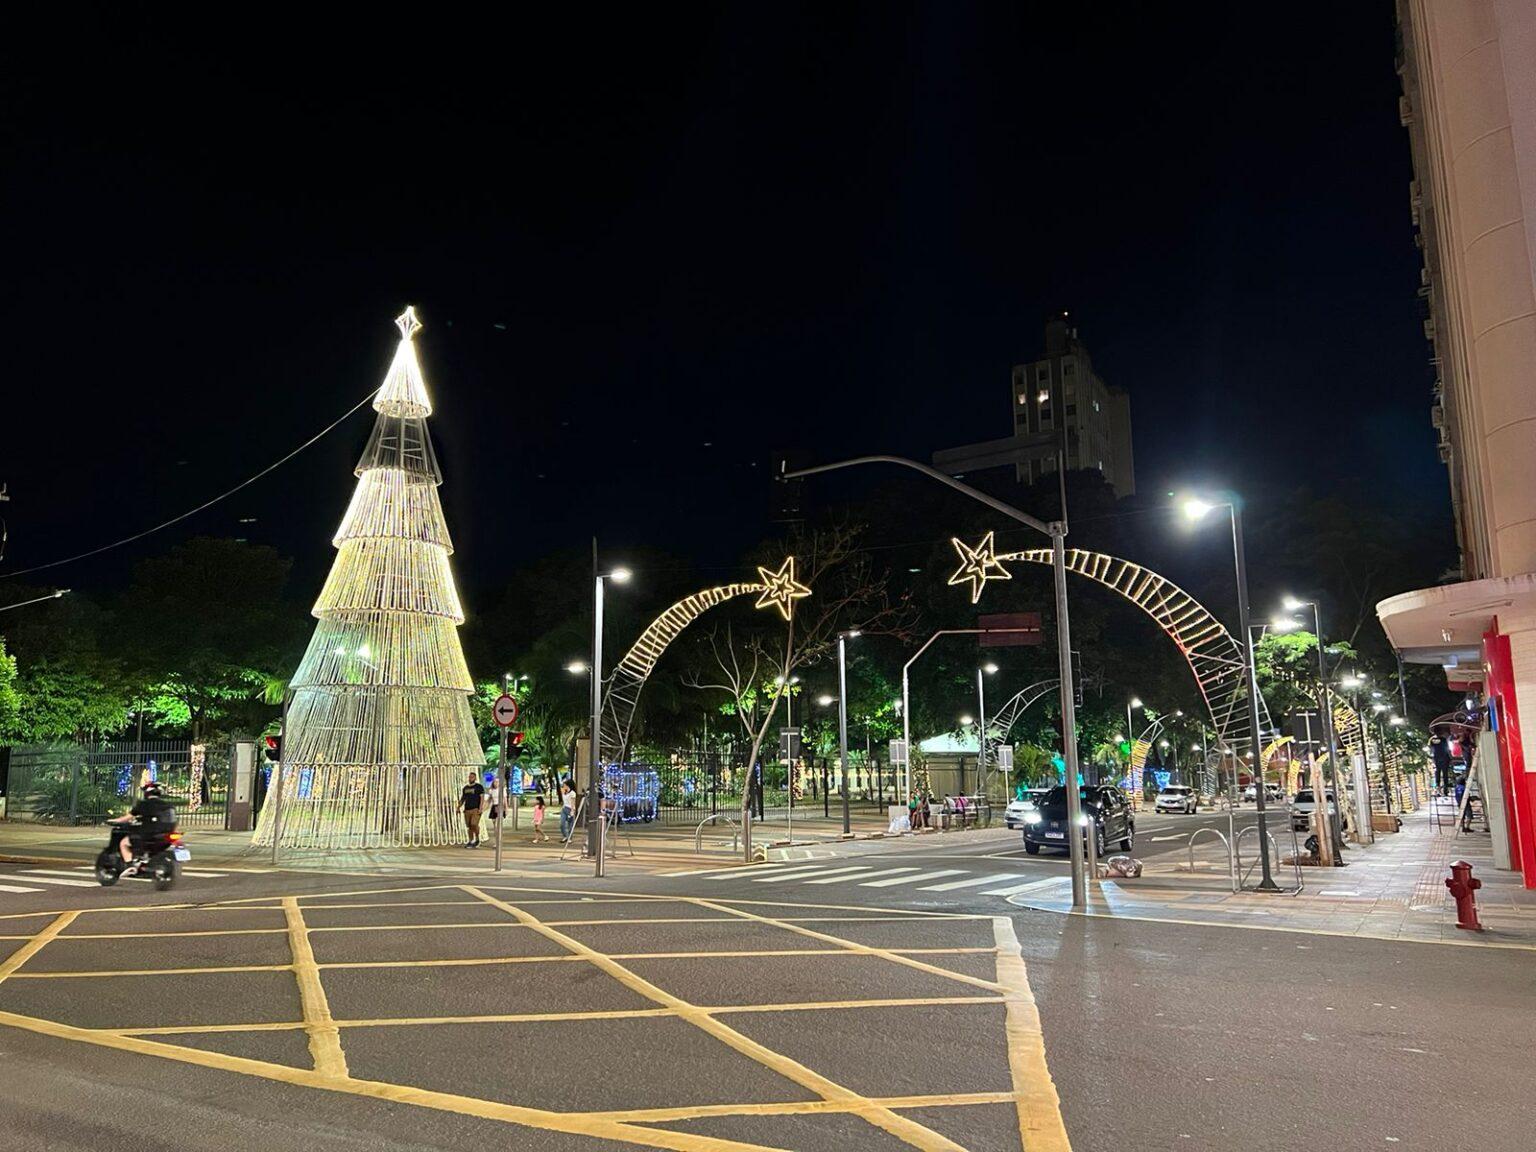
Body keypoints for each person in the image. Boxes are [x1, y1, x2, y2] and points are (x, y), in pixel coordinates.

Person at [108, 781, 176, 874]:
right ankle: (144, 861)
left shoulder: (144, 804)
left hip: (148, 834)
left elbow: (127, 818)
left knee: (123, 843)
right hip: (166, 834)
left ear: (147, 793)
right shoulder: (168, 805)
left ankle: (130, 865)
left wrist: (114, 820)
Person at [458, 772, 486, 848]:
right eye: (470, 777)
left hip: (475, 809)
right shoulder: (465, 788)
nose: (470, 778)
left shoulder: (479, 787)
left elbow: (482, 798)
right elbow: (463, 798)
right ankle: (471, 841)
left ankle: (477, 839)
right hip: (467, 809)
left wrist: (480, 808)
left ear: (475, 778)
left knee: (474, 824)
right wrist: (458, 807)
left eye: (472, 777)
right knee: (469, 826)